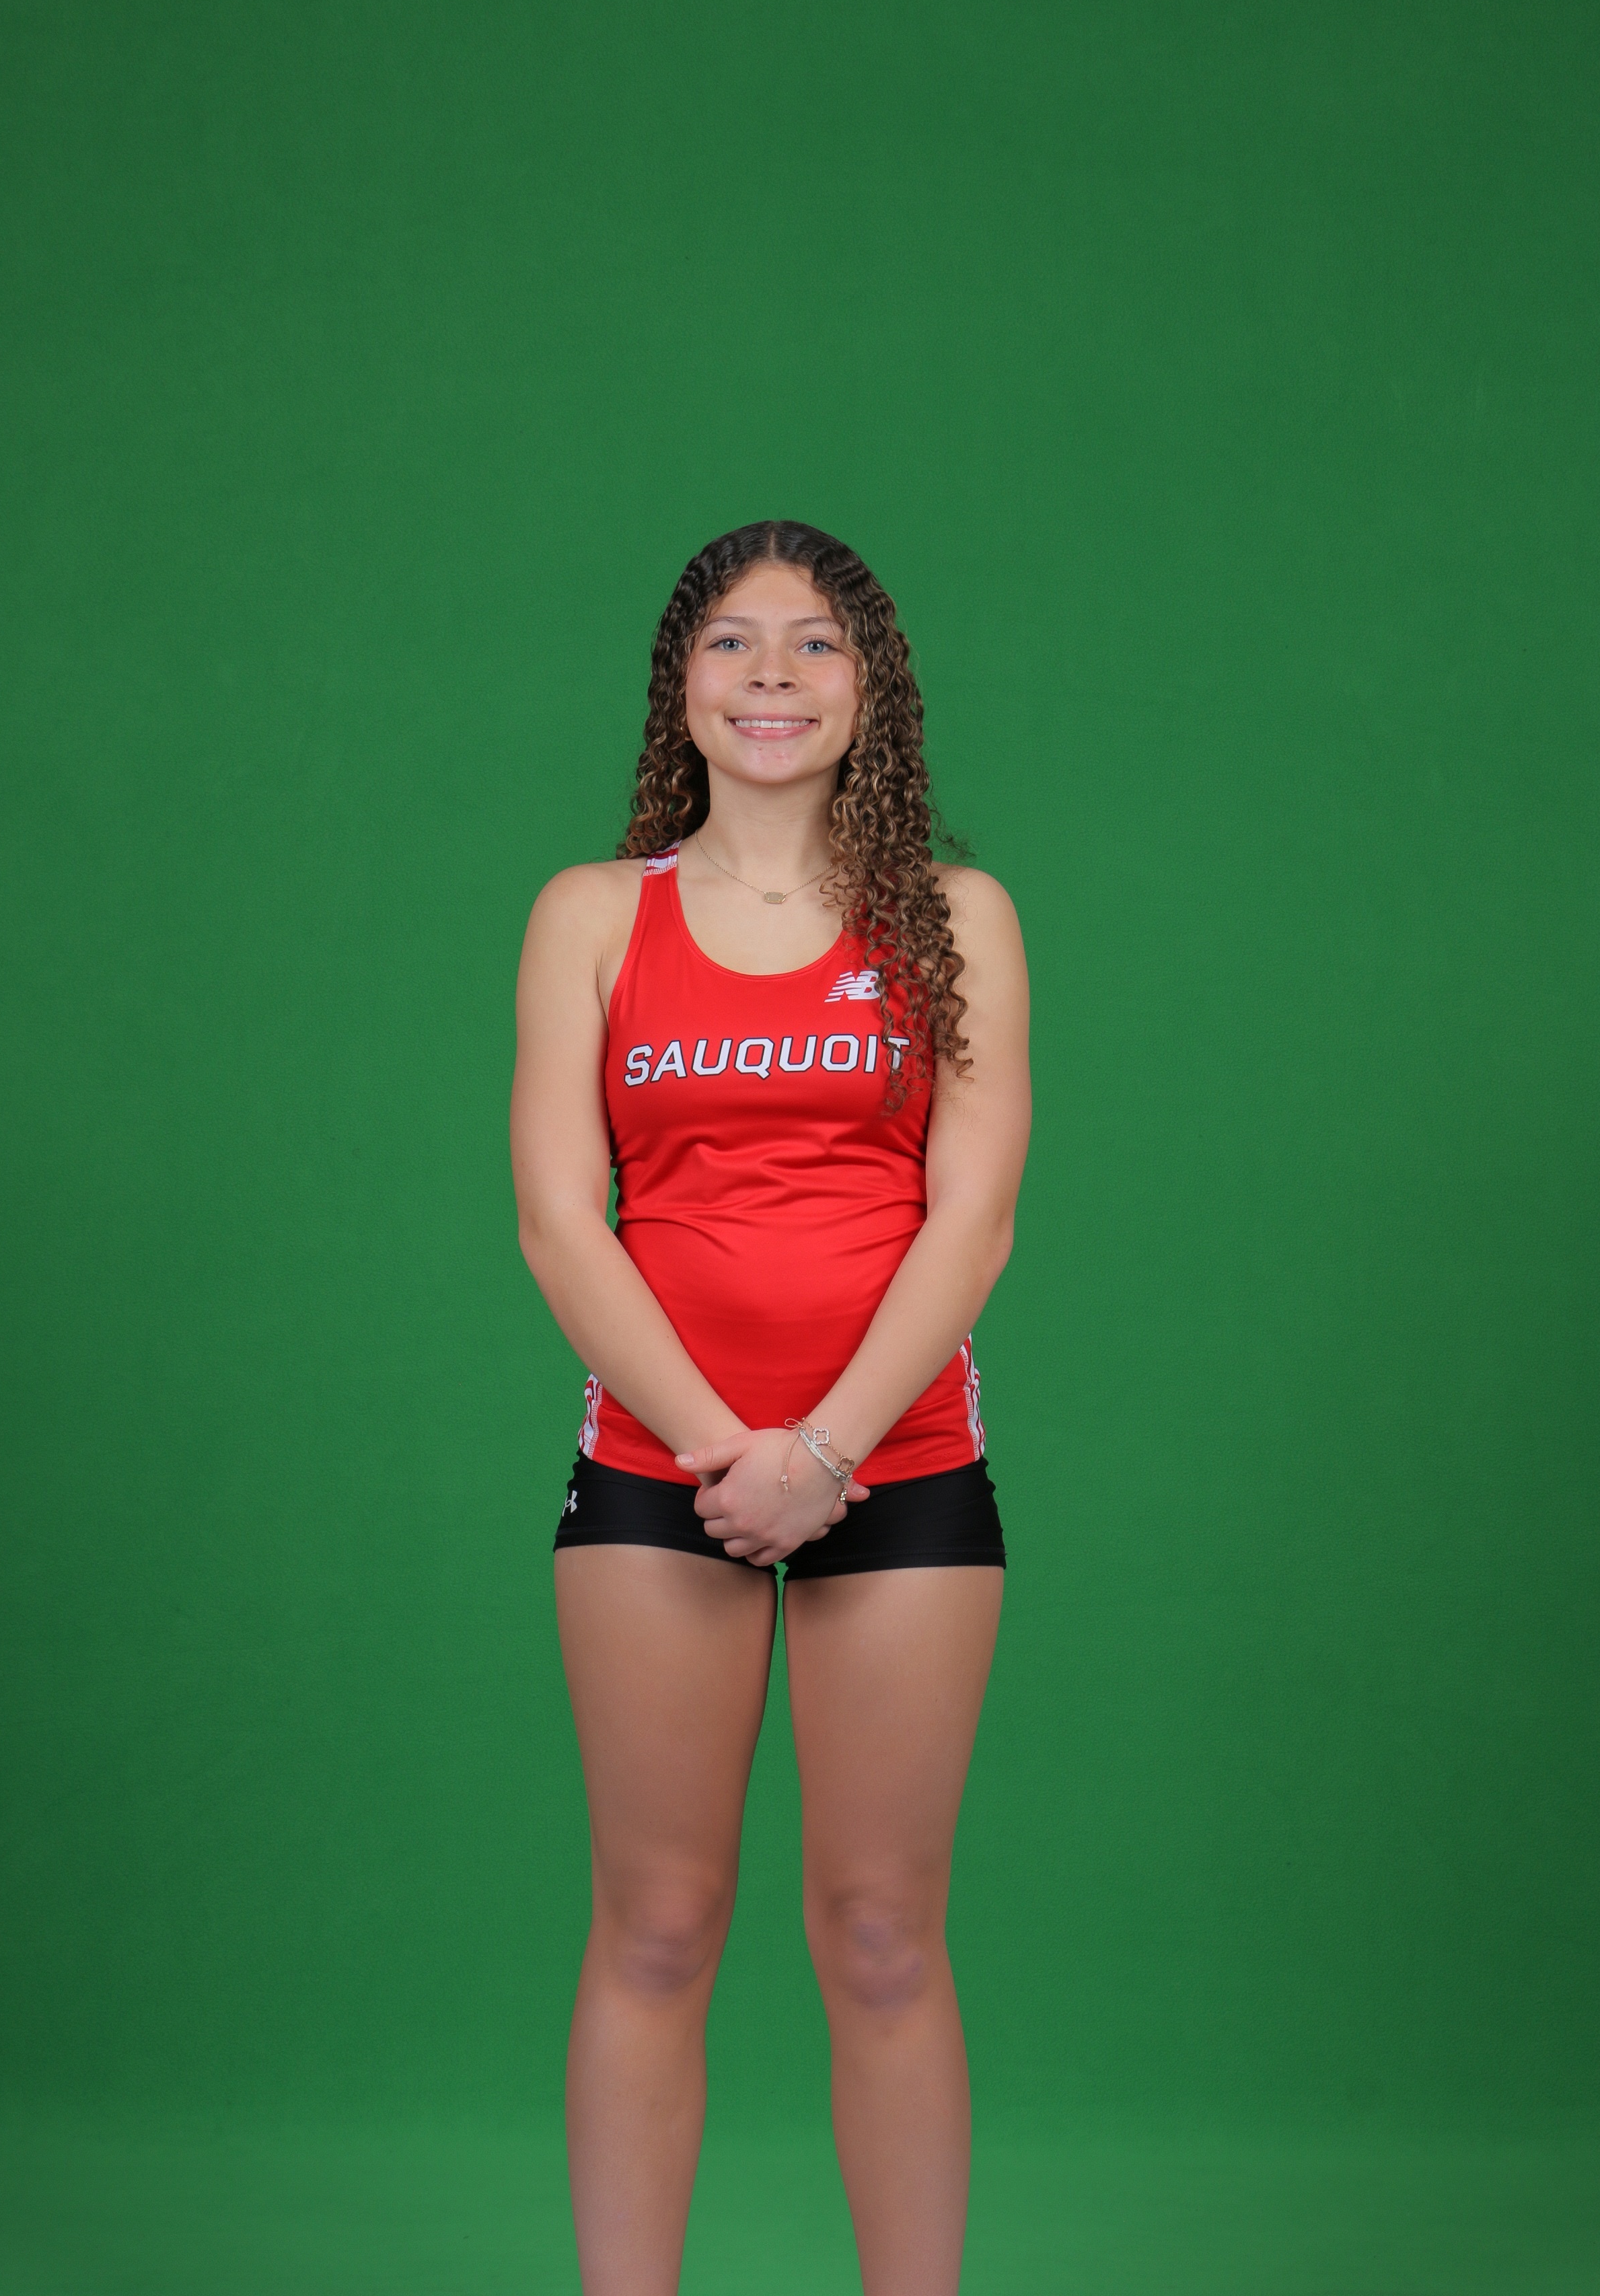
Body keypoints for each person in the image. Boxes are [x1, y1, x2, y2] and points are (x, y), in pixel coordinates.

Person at [509, 519, 1031, 2295]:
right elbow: (561, 1219)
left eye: (816, 643)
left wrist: (824, 1452)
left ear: (872, 687)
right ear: (682, 684)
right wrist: (727, 1450)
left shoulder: (956, 918)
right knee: (659, 1928)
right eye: (733, 642)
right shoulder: (593, 916)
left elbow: (973, 1218)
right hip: (660, 1474)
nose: (773, 677)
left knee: (882, 1938)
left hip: (904, 1467)